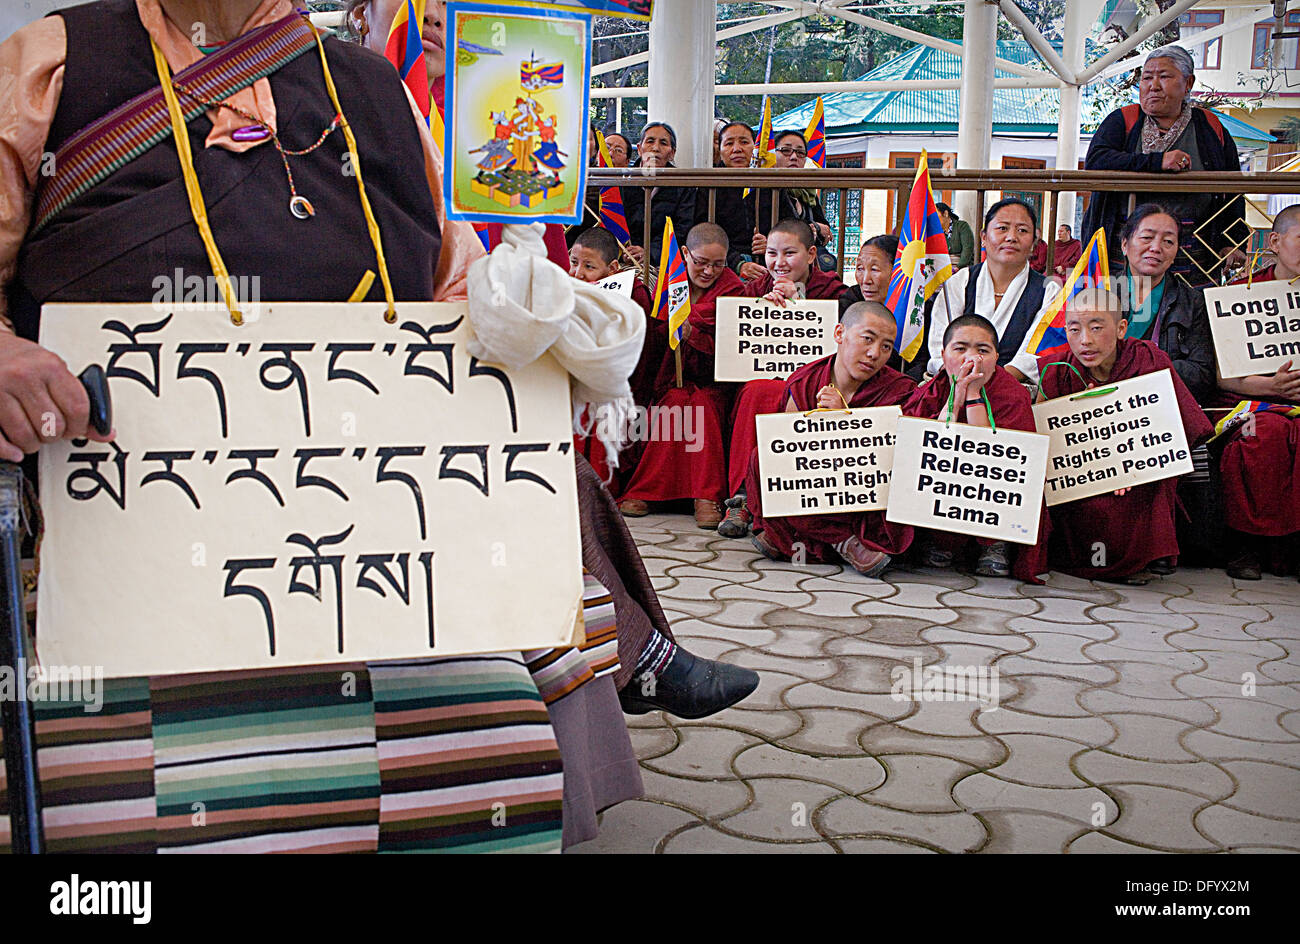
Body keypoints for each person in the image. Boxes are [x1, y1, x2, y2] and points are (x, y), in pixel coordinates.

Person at [1038, 291, 1212, 584]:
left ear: (1121, 329)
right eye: (1074, 329)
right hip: (1083, 473)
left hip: (1140, 467)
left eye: (1096, 327)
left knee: (1144, 485)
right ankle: (1094, 561)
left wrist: (1132, 465)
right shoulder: (1057, 370)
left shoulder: (1147, 359)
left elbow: (1172, 428)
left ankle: (1144, 557)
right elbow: (1047, 439)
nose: (1085, 341)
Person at [746, 301, 916, 576]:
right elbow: (785, 449)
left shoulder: (900, 390)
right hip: (812, 488)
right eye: (868, 339)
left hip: (862, 492)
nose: (874, 354)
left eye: (886, 347)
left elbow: (890, 457)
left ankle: (798, 538)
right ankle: (844, 542)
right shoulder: (805, 380)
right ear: (839, 334)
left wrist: (844, 422)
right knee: (763, 457)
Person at [716, 218, 850, 537]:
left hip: (813, 383)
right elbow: (734, 344)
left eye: (789, 253)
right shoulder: (754, 289)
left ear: (812, 254)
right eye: (772, 254)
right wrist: (758, 313)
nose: (779, 263)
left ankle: (788, 500)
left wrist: (800, 304)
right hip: (761, 380)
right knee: (758, 392)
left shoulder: (834, 292)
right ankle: (741, 499)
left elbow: (842, 338)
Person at [1082, 44, 1246, 285]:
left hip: (1194, 253)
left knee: (1190, 306)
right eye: (1147, 78)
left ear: (1188, 83)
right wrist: (1157, 162)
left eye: (1164, 77)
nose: (1153, 86)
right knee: (1122, 304)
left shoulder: (1209, 126)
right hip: (1125, 251)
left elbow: (1233, 188)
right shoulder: (1123, 119)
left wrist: (1233, 242)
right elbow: (1096, 162)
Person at [616, 222, 744, 528]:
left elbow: (733, 338)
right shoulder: (670, 285)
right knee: (674, 401)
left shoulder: (733, 288)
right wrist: (673, 327)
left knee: (701, 404)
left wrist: (692, 331)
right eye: (701, 262)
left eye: (718, 264)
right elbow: (655, 334)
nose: (709, 271)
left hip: (715, 384)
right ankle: (648, 491)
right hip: (673, 379)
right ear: (685, 253)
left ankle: (706, 496)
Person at [903, 315, 1050, 581]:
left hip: (993, 487)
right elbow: (928, 443)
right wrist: (956, 397)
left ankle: (994, 543)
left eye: (982, 350)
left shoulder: (1011, 393)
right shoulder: (932, 390)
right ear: (943, 355)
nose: (971, 358)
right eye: (960, 349)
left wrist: (973, 395)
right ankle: (940, 537)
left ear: (997, 358)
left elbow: (989, 451)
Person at [1216, 204, 1300, 580]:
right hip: (1255, 402)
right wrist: (1271, 386)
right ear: (1276, 242)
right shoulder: (1241, 294)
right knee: (1261, 436)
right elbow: (1222, 377)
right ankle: (1246, 545)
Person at [925, 198, 1060, 385]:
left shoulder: (1049, 290)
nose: (1011, 237)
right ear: (984, 237)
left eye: (1022, 230)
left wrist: (992, 383)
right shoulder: (959, 282)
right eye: (1002, 228)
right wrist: (964, 381)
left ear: (1033, 243)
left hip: (1014, 389)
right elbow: (939, 344)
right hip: (954, 384)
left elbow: (1036, 354)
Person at [1117, 204, 1216, 404]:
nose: (1156, 248)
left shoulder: (1191, 302)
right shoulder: (1099, 293)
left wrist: (1146, 365)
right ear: (1125, 245)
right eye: (1147, 237)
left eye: (1168, 241)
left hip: (1161, 404)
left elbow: (1202, 374)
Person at [622, 121, 696, 268]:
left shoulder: (684, 186)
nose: (655, 148)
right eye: (650, 141)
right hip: (623, 259)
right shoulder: (622, 182)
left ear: (672, 153)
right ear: (639, 149)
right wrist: (626, 251)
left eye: (663, 143)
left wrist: (649, 252)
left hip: (663, 262)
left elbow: (682, 229)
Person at [699, 121, 766, 280]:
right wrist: (738, 263)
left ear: (755, 147)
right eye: (729, 143)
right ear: (720, 150)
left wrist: (772, 243)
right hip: (722, 266)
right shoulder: (708, 185)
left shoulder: (770, 182)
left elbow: (788, 225)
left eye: (744, 142)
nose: (737, 149)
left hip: (769, 263)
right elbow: (701, 234)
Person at [937, 202, 975, 270]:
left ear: (945, 213)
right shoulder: (936, 232)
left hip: (963, 268)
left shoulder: (962, 226)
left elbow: (967, 249)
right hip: (944, 269)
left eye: (936, 215)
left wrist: (958, 267)